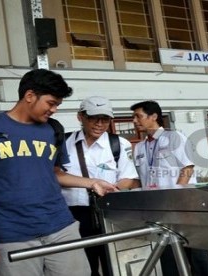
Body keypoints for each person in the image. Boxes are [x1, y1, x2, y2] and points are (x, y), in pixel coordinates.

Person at [0, 69, 117, 276]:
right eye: (51, 103)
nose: (54, 110)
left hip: (61, 228)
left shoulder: (53, 130)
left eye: (57, 104)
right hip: (12, 235)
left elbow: (55, 173)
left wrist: (91, 182)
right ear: (29, 96)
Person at [131, 100, 208, 276]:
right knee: (167, 252)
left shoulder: (174, 138)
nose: (134, 120)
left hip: (182, 206)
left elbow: (187, 168)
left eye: (138, 116)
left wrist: (179, 200)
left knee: (196, 250)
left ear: (153, 116)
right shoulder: (139, 147)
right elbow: (141, 179)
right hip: (157, 210)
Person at [62, 96, 139, 275]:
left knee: (113, 262)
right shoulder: (64, 143)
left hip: (108, 212)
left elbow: (129, 178)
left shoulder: (119, 144)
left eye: (105, 119)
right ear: (80, 117)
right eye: (93, 118)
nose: (99, 124)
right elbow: (56, 174)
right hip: (73, 215)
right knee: (83, 266)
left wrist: (112, 190)